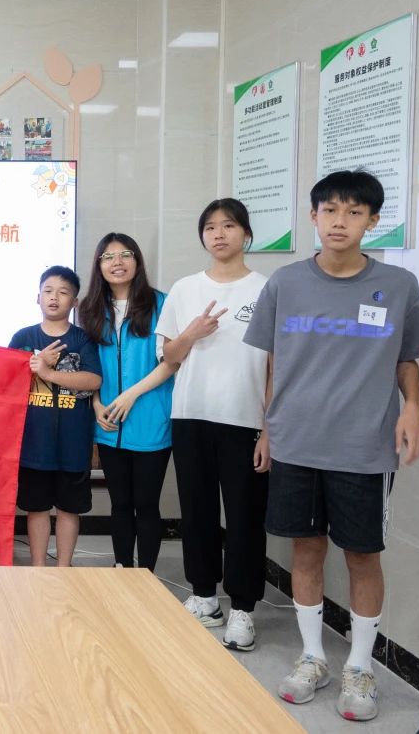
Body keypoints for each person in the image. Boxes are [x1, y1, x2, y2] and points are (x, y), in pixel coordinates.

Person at [245, 171, 419, 721]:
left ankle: (359, 666)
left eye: (354, 212)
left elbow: (408, 358)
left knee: (362, 556)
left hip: (363, 447)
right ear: (313, 216)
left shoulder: (397, 285)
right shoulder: (284, 283)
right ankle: (313, 657)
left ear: (372, 221)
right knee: (305, 551)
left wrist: (414, 406)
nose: (339, 221)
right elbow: (273, 363)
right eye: (329, 210)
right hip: (296, 442)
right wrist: (267, 429)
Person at [156, 199, 270, 651]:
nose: (219, 234)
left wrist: (269, 428)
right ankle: (204, 596)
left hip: (245, 418)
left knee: (245, 516)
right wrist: (192, 333)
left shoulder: (267, 289)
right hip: (191, 414)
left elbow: (277, 364)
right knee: (197, 510)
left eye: (229, 225)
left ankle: (243, 608)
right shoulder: (185, 289)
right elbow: (169, 355)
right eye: (210, 227)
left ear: (247, 234)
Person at [79, 233, 175, 571]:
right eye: (108, 257)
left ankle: (145, 576)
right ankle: (122, 569)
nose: (117, 263)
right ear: (99, 265)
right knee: (119, 503)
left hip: (151, 419)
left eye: (125, 255)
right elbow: (87, 364)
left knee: (146, 504)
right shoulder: (90, 308)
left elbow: (171, 361)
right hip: (108, 423)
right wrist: (95, 404)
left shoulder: (162, 303)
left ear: (137, 261)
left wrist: (132, 394)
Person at [9, 266, 101, 570]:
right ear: (37, 297)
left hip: (73, 444)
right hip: (33, 444)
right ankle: (38, 567)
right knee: (36, 509)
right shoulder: (24, 337)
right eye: (48, 291)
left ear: (74, 302)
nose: (54, 297)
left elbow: (93, 380)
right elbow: (5, 382)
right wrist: (33, 364)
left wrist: (48, 373)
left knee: (68, 509)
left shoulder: (83, 339)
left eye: (63, 292)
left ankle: (63, 569)